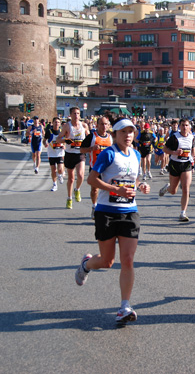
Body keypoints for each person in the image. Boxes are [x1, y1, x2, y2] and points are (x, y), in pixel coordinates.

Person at [75, 118, 151, 323]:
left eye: (131, 132)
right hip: (106, 212)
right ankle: (86, 265)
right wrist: (115, 190)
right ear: (115, 134)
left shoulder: (135, 154)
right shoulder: (109, 153)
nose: (128, 135)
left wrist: (140, 185)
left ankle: (125, 306)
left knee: (127, 260)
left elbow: (132, 180)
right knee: (107, 262)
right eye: (123, 132)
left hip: (129, 212)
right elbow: (92, 179)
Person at [159, 118, 195, 222]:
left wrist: (194, 157)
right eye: (183, 125)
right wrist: (175, 152)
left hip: (186, 165)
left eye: (186, 125)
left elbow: (193, 148)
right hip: (175, 164)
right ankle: (168, 187)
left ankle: (183, 213)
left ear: (189, 126)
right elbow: (164, 149)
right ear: (179, 127)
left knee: (186, 188)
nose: (184, 127)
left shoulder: (191, 137)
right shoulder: (174, 137)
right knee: (173, 191)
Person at [55, 107, 90, 209]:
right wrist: (66, 140)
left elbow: (89, 138)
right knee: (70, 179)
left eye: (78, 113)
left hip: (80, 153)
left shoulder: (84, 125)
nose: (76, 115)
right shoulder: (67, 126)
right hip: (70, 153)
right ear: (70, 115)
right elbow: (58, 139)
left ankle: (77, 189)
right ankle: (69, 198)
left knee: (80, 175)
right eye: (74, 113)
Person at [81, 116, 112, 219]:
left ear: (108, 126)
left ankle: (107, 209)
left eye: (105, 124)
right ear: (97, 125)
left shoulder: (111, 138)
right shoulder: (92, 136)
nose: (104, 126)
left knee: (109, 190)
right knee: (95, 190)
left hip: (108, 169)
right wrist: (91, 148)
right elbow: (81, 149)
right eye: (102, 124)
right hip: (95, 168)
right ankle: (94, 207)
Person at [43, 117, 65, 192]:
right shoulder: (49, 131)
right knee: (53, 169)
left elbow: (66, 140)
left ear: (60, 124)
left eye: (58, 122)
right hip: (51, 153)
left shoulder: (62, 131)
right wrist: (45, 144)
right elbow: (44, 140)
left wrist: (64, 145)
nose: (57, 124)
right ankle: (54, 184)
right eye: (55, 122)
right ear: (52, 123)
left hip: (60, 153)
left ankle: (60, 175)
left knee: (60, 169)